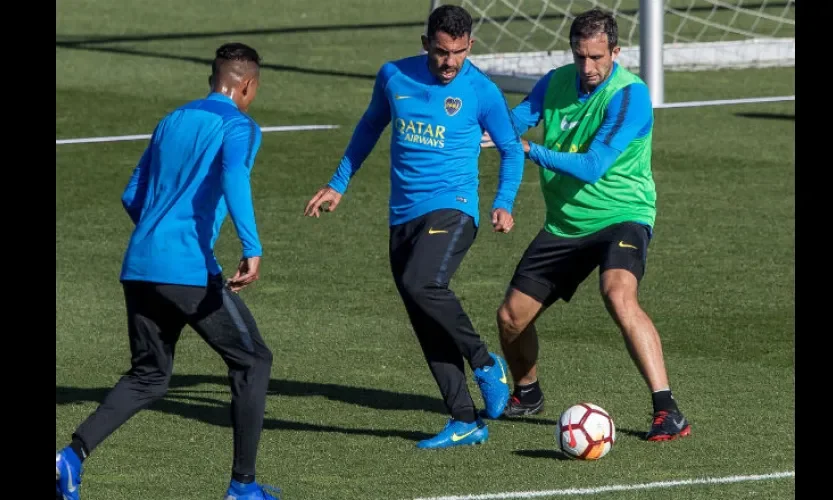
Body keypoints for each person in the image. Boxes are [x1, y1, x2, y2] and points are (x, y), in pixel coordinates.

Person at [56, 42, 281, 500]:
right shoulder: (239, 126)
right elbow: (235, 176)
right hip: (187, 270)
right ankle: (243, 488)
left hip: (139, 265)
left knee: (149, 376)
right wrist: (252, 247)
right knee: (253, 361)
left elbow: (131, 194)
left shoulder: (171, 120)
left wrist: (159, 239)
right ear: (248, 86)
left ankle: (70, 458)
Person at [304, 4, 524, 449]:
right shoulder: (393, 76)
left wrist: (502, 202)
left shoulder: (481, 91)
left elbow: (511, 149)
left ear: (470, 46)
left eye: (459, 53)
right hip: (402, 215)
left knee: (423, 283)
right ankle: (464, 419)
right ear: (426, 44)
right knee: (424, 314)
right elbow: (370, 126)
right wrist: (338, 184)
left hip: (454, 208)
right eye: (442, 52)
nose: (449, 63)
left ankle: (486, 363)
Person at [482, 8, 692, 441]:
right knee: (509, 319)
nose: (588, 67)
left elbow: (595, 165)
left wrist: (527, 150)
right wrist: (479, 127)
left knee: (617, 294)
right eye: (580, 57)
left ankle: (667, 409)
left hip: (622, 215)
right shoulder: (556, 82)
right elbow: (516, 120)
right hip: (565, 223)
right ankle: (528, 391)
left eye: (597, 57)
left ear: (615, 51)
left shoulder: (630, 95)